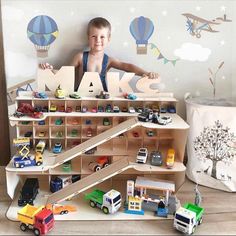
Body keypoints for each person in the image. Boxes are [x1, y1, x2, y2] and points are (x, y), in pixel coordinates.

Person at [41, 17, 159, 91]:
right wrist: (50, 70)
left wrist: (145, 73)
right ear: (88, 38)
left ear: (109, 39)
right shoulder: (80, 57)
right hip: (80, 97)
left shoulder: (109, 61)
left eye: (102, 37)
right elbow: (64, 73)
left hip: (102, 99)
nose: (98, 40)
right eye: (94, 36)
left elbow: (127, 67)